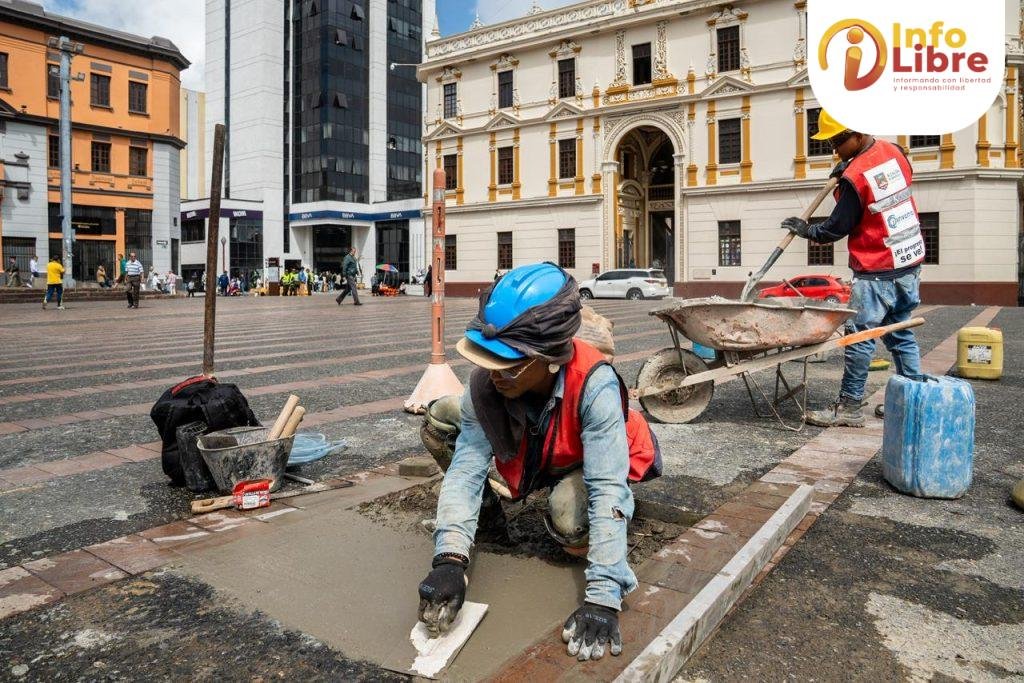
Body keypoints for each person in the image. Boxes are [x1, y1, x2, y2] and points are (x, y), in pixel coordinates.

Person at [415, 262, 661, 661]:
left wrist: (603, 596)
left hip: (591, 456)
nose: (494, 372)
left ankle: (583, 535)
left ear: (549, 358)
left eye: (508, 364)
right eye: (488, 359)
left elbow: (607, 487)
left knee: (568, 519)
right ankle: (489, 522)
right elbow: (465, 469)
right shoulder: (487, 384)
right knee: (441, 417)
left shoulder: (594, 385)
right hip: (539, 445)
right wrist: (450, 559)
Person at [781, 110, 925, 426]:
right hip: (909, 260)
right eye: (831, 144)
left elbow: (836, 227)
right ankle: (913, 400)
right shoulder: (894, 152)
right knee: (899, 331)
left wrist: (807, 230)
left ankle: (849, 407)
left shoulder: (855, 177)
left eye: (837, 142)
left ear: (857, 135)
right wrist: (849, 165)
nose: (835, 150)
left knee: (859, 338)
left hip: (877, 267)